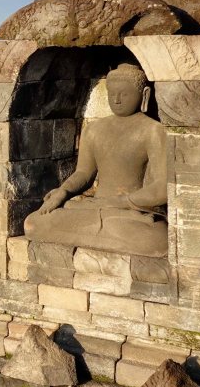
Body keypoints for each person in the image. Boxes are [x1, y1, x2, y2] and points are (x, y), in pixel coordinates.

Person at [24, 63, 168, 257]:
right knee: (33, 223)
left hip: (129, 211)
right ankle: (101, 233)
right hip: (94, 207)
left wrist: (120, 202)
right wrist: (63, 191)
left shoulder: (153, 130)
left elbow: (161, 189)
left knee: (156, 240)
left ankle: (96, 232)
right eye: (112, 93)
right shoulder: (94, 129)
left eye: (124, 94)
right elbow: (84, 173)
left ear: (144, 94)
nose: (116, 100)